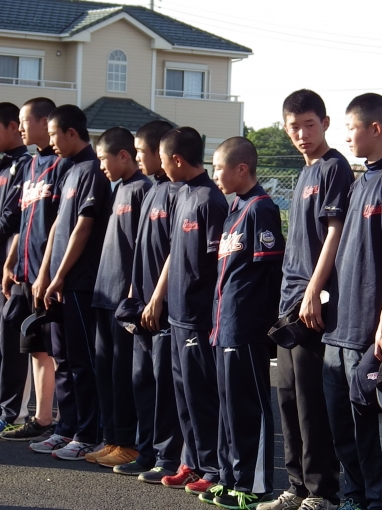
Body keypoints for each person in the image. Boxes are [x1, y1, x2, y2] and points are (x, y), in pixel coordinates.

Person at [322, 93, 382, 510]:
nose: (346, 136)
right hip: (338, 331)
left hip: (368, 334)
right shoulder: (359, 182)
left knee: (371, 431)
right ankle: (353, 497)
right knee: (341, 427)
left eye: (351, 127)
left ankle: (379, 502)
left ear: (375, 129)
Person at [260, 89, 352, 510]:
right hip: (289, 301)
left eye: (309, 125)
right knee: (288, 398)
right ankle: (295, 487)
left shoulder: (335, 168)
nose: (302, 134)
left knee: (312, 402)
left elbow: (335, 232)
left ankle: (321, 493)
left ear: (325, 123)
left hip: (313, 302)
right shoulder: (304, 173)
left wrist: (314, 290)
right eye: (294, 127)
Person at [198, 136, 284, 509]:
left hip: (246, 328)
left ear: (241, 168)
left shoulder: (261, 209)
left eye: (219, 168)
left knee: (249, 408)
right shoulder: (234, 209)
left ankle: (254, 484)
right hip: (223, 326)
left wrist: (262, 326)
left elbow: (270, 274)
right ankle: (229, 477)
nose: (215, 174)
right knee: (227, 408)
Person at [30, 104, 111, 459]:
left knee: (82, 361)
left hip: (79, 282)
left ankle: (87, 434)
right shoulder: (67, 169)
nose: (51, 142)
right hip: (57, 283)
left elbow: (84, 226)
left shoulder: (93, 170)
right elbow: (56, 228)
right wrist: (44, 273)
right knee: (61, 359)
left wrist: (61, 276)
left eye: (53, 135)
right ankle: (65, 428)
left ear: (71, 133)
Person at [156, 127, 227, 494]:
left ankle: (212, 468)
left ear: (177, 160)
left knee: (202, 397)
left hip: (199, 317)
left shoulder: (211, 200)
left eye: (164, 160)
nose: (162, 167)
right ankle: (191, 460)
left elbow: (218, 265)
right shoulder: (181, 194)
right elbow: (175, 252)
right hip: (177, 315)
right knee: (182, 394)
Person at [114, 120, 184, 483]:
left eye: (142, 151)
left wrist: (157, 296)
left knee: (163, 385)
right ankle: (146, 452)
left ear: (161, 152)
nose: (138, 157)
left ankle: (168, 457)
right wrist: (132, 295)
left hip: (163, 307)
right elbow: (141, 250)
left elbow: (175, 250)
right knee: (141, 380)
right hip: (140, 304)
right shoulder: (152, 190)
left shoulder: (178, 192)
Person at [0, 98, 72, 442]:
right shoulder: (29, 167)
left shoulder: (64, 165)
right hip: (24, 271)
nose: (22, 127)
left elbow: (62, 224)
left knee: (57, 351)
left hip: (50, 273)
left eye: (25, 121)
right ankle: (41, 419)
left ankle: (63, 423)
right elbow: (20, 221)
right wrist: (10, 263)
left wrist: (47, 273)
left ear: (46, 122)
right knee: (32, 347)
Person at [86, 127, 151, 468]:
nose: (101, 167)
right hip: (104, 293)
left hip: (124, 301)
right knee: (106, 373)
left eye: (103, 159)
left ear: (123, 155)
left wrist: (132, 293)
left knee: (125, 375)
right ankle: (112, 439)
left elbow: (142, 248)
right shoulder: (119, 188)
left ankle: (128, 443)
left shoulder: (143, 189)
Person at [0, 102, 33, 433]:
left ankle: (13, 413)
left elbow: (12, 218)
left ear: (12, 127)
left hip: (13, 268)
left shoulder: (25, 166)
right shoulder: (3, 166)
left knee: (11, 342)